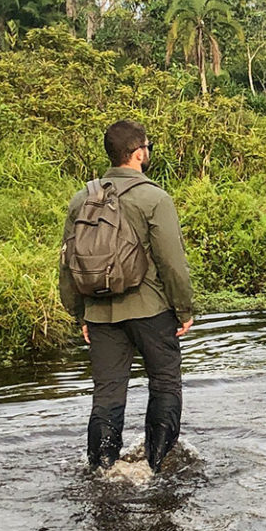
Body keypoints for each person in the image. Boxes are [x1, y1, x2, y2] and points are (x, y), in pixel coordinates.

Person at [59, 120, 196, 472]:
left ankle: (103, 468)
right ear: (138, 153)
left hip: (100, 314)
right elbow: (172, 261)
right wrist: (184, 309)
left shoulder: (81, 199)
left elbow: (67, 262)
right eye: (147, 147)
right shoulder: (154, 197)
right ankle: (157, 464)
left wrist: (80, 314)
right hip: (151, 309)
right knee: (165, 382)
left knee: (107, 395)